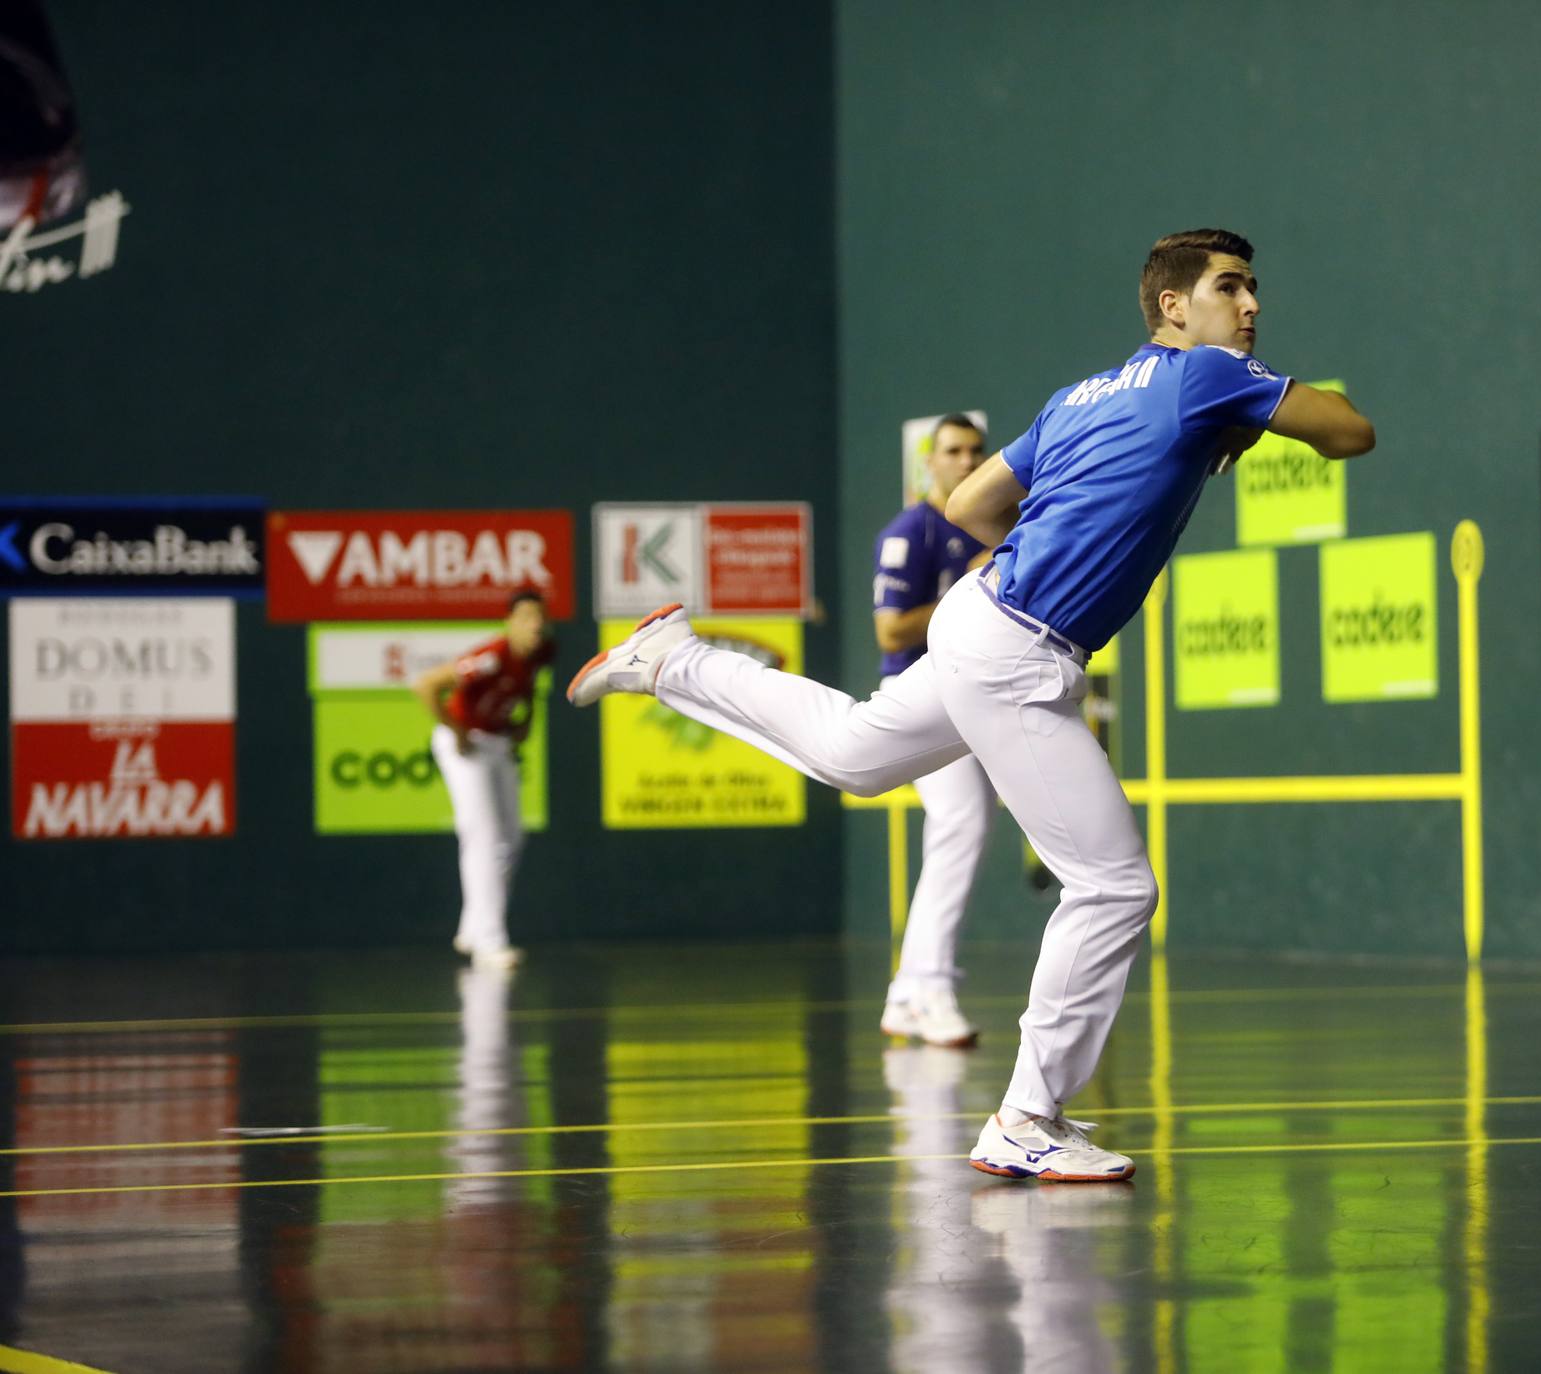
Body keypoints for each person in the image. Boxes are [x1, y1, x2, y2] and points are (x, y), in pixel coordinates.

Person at [568, 228, 1375, 1180]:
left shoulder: (1078, 397)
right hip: (1016, 648)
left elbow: (971, 508)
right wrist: (1246, 410)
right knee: (1114, 886)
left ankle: (671, 660)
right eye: (1230, 288)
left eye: (1252, 292)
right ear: (1172, 307)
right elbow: (1346, 431)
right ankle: (1027, 1118)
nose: (1249, 308)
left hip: (979, 617)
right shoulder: (1205, 377)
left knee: (855, 757)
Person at [874, 413, 994, 1048]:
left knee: (967, 827)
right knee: (961, 824)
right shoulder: (910, 532)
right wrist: (974, 580)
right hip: (917, 696)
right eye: (953, 451)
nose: (967, 461)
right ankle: (928, 986)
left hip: (967, 692)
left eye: (976, 449)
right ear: (930, 461)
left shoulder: (988, 524)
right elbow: (890, 632)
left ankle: (909, 993)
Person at [415, 589, 554, 970]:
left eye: (540, 616)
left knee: (512, 837)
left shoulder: (542, 653)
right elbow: (425, 685)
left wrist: (523, 723)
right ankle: (489, 943)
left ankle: (475, 928)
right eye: (525, 616)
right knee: (485, 837)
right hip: (465, 746)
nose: (535, 624)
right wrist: (455, 729)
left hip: (498, 744)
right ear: (509, 622)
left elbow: (529, 692)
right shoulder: (491, 657)